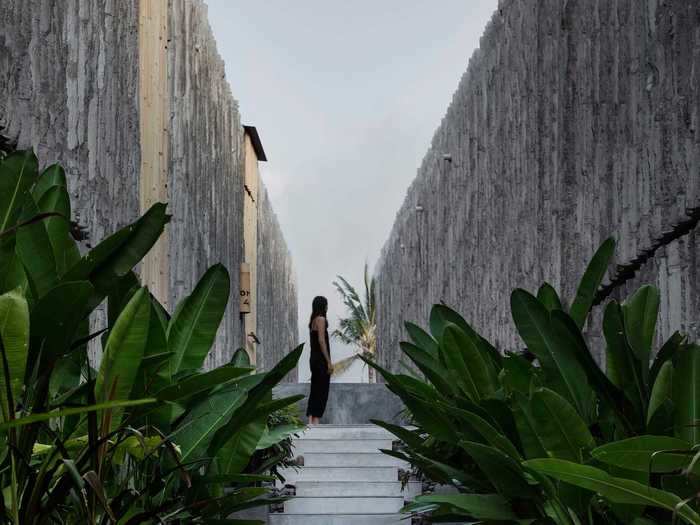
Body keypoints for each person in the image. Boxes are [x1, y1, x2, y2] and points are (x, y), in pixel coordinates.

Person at [307, 296, 333, 424]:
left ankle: (311, 419)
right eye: (326, 305)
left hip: (313, 359)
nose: (327, 307)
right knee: (322, 389)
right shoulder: (321, 319)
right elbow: (321, 340)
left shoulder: (312, 321)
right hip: (320, 360)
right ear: (323, 306)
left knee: (315, 388)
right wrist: (328, 361)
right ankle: (315, 419)